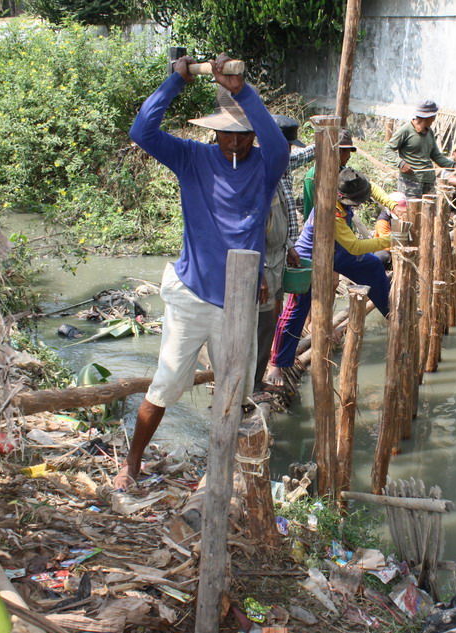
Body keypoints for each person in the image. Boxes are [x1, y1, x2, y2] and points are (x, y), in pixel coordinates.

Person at [114, 54, 288, 491]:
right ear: (212, 132)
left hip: (238, 303)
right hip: (191, 295)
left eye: (242, 135)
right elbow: (142, 132)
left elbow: (280, 145)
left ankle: (220, 474)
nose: (234, 144)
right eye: (226, 135)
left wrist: (241, 91)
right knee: (166, 385)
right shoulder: (192, 158)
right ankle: (132, 465)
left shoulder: (266, 169)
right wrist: (175, 82)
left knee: (234, 395)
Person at [267, 168, 398, 386]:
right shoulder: (331, 212)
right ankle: (277, 363)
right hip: (311, 258)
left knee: (373, 265)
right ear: (344, 198)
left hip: (337, 252)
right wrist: (390, 240)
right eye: (358, 202)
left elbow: (372, 187)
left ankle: (392, 314)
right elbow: (355, 246)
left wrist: (394, 206)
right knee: (295, 311)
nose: (361, 204)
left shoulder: (345, 186)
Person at [253, 116, 315, 394]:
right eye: (286, 146)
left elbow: (283, 215)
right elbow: (250, 228)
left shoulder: (282, 163)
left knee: (274, 312)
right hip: (262, 258)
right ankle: (255, 379)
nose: (289, 152)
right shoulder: (259, 170)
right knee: (262, 318)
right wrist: (257, 271)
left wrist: (290, 245)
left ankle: (262, 372)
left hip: (280, 251)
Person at [386, 100, 456, 197]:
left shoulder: (429, 132)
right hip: (410, 182)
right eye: (434, 116)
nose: (434, 119)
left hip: (428, 181)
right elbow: (388, 149)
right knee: (409, 211)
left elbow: (436, 155)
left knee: (429, 211)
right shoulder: (406, 130)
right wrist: (401, 163)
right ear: (429, 117)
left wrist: (453, 166)